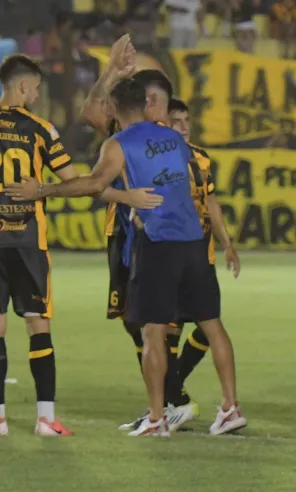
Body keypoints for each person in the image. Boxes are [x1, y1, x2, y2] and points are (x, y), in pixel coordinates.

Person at [9, 77, 244, 437]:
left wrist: (41, 189)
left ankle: (157, 418)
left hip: (158, 243)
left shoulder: (118, 143)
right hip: (194, 242)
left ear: (116, 108)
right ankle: (230, 408)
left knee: (152, 332)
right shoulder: (173, 139)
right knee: (212, 324)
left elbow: (93, 184)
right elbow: (176, 180)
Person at [0, 55, 158, 437]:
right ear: (23, 87)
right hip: (28, 242)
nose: (37, 95)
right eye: (36, 89)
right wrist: (126, 197)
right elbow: (79, 182)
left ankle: (0, 419)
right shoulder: (40, 130)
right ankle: (45, 419)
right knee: (38, 326)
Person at [79, 36, 200, 430]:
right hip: (124, 233)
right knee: (138, 322)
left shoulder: (161, 136)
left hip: (154, 236)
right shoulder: (129, 132)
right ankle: (163, 404)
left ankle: (172, 402)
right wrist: (112, 70)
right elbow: (91, 112)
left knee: (157, 321)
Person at [159, 98, 242, 432]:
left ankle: (167, 405)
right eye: (176, 121)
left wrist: (228, 244)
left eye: (186, 120)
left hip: (175, 256)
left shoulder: (170, 158)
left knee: (166, 330)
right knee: (200, 327)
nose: (183, 126)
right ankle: (220, 406)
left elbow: (211, 203)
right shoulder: (197, 158)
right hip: (196, 256)